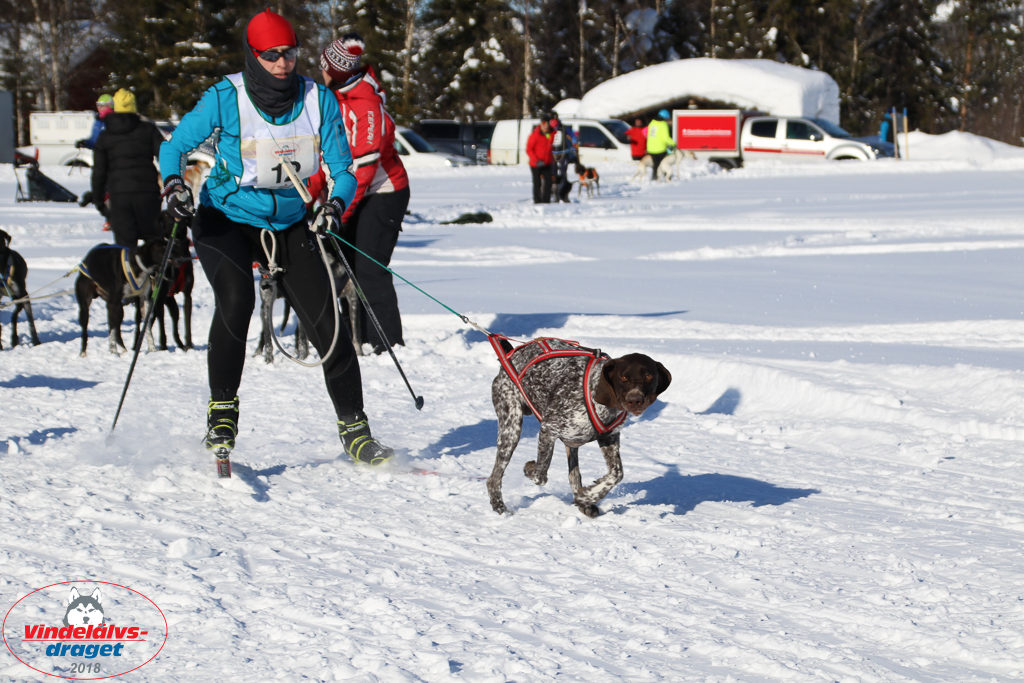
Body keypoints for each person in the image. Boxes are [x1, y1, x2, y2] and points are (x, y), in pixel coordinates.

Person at [158, 9, 393, 467]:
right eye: (272, 56)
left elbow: (343, 169)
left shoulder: (317, 98)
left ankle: (356, 431)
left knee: (328, 323)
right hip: (226, 218)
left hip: (289, 221)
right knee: (236, 302)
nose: (284, 63)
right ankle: (222, 414)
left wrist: (335, 205)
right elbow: (174, 145)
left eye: (290, 53)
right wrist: (173, 185)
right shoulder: (225, 97)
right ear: (253, 55)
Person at [309, 33, 410, 354]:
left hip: (382, 191)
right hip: (347, 194)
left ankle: (386, 343)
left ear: (336, 70)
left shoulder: (365, 104)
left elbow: (363, 170)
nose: (320, 71)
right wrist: (309, 199)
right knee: (339, 264)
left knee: (368, 267)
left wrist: (340, 211)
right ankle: (350, 337)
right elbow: (319, 158)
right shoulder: (331, 97)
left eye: (324, 66)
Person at [90, 89, 164, 248]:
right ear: (134, 106)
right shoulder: (148, 129)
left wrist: (98, 199)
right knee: (154, 244)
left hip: (119, 196)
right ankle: (156, 273)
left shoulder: (105, 137)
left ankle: (127, 272)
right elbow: (165, 157)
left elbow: (99, 171)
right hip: (148, 194)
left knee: (124, 248)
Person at [526, 117, 554, 203]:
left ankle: (546, 200)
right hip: (536, 164)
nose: (545, 126)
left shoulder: (552, 133)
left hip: (547, 163)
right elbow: (529, 149)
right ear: (540, 124)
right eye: (543, 124)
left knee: (549, 182)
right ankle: (537, 200)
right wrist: (536, 160)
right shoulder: (534, 135)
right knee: (537, 183)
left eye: (547, 124)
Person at [646, 109, 675, 181]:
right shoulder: (663, 124)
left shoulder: (652, 123)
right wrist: (673, 143)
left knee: (656, 165)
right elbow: (665, 138)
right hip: (660, 148)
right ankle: (667, 177)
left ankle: (654, 178)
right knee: (664, 163)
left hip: (651, 148)